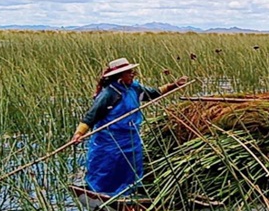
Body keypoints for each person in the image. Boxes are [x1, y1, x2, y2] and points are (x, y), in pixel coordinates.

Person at [71, 58, 187, 197]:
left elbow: (153, 93)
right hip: (110, 140)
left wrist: (174, 85)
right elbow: (91, 116)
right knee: (106, 167)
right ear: (119, 76)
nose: (133, 75)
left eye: (133, 72)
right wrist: (79, 133)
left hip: (130, 138)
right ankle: (101, 193)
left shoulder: (135, 88)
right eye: (129, 72)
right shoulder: (109, 93)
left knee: (129, 168)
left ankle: (127, 195)